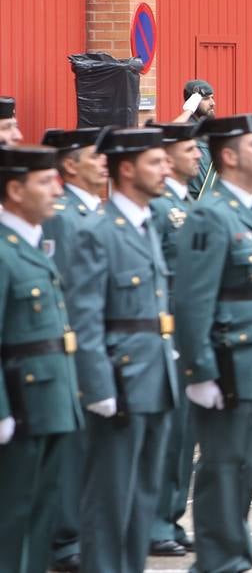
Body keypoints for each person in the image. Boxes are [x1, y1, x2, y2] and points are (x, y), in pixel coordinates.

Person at [176, 114, 252, 573]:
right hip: (228, 360)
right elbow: (192, 300)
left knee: (245, 467)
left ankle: (233, 556)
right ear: (227, 155)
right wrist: (200, 371)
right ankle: (218, 561)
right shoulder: (209, 213)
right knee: (222, 467)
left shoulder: (249, 209)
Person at [66, 127, 177, 573]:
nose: (165, 168)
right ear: (127, 169)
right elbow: (85, 316)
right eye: (156, 162)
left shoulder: (147, 223)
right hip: (121, 377)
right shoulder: (99, 230)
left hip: (154, 374)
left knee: (142, 499)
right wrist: (98, 385)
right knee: (110, 499)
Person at [0, 144, 82, 573]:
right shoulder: (3, 250)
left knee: (39, 514)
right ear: (15, 189)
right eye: (44, 182)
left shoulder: (30, 244)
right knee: (12, 516)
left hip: (51, 402)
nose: (56, 190)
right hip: (20, 405)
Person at [40, 126, 105, 572]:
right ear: (68, 165)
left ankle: (79, 531)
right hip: (75, 353)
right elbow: (65, 295)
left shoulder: (94, 212)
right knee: (72, 451)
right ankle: (65, 540)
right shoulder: (62, 217)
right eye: (93, 156)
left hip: (96, 349)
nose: (104, 162)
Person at [147, 120, 202, 558]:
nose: (198, 155)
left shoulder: (184, 201)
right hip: (169, 333)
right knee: (167, 437)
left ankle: (169, 515)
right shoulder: (160, 207)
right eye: (189, 150)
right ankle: (155, 521)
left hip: (187, 330)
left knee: (184, 435)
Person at [177, 79, 218, 200]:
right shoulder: (185, 128)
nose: (212, 103)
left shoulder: (210, 129)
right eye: (206, 99)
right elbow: (169, 132)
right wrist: (189, 110)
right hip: (191, 201)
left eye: (212, 97)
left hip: (210, 200)